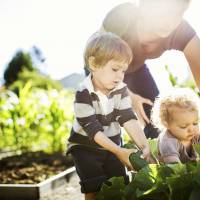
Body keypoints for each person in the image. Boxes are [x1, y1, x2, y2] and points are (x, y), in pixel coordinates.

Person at [85, 0, 200, 139]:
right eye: (164, 13)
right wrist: (128, 95)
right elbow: (99, 64)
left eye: (178, 14)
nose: (170, 22)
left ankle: (159, 155)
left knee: (155, 117)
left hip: (135, 69)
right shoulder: (122, 17)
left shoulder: (183, 31)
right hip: (99, 67)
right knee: (105, 118)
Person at [68, 32, 151, 200]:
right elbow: (93, 129)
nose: (120, 75)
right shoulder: (83, 93)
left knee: (119, 182)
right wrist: (119, 151)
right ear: (94, 64)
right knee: (93, 185)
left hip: (112, 143)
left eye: (123, 70)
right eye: (115, 69)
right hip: (85, 147)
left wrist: (144, 145)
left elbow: (128, 118)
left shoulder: (120, 90)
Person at [151, 88, 200, 164]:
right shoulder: (168, 142)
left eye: (195, 123)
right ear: (166, 124)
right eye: (183, 126)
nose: (192, 129)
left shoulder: (195, 132)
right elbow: (175, 169)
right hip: (176, 173)